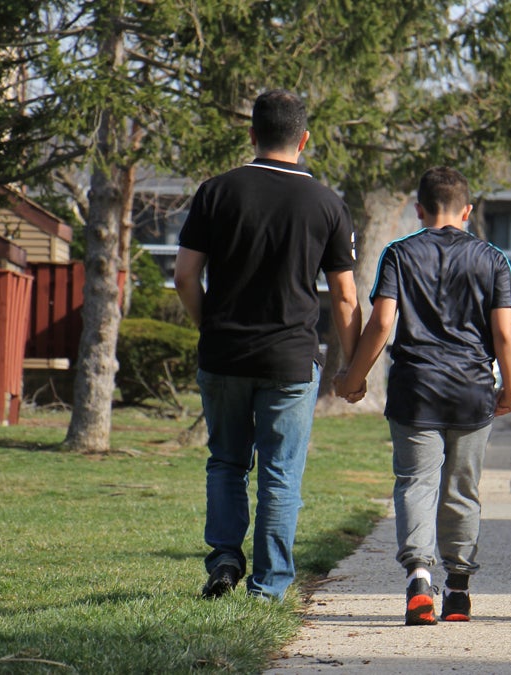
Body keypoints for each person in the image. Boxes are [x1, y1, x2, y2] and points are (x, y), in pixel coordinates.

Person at [174, 89, 362, 602]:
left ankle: (225, 558)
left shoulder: (215, 192)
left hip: (224, 354)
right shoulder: (327, 203)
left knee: (226, 462)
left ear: (252, 135)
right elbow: (344, 298)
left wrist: (207, 324)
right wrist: (355, 367)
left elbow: (185, 276)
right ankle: (269, 585)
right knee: (281, 474)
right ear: (304, 139)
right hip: (291, 359)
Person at [335, 166, 511, 625]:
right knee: (463, 488)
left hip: (415, 389)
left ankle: (419, 578)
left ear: (418, 210)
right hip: (471, 391)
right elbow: (503, 332)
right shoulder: (494, 258)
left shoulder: (399, 254)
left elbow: (381, 322)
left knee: (416, 484)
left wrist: (353, 377)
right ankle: (458, 589)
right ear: (468, 211)